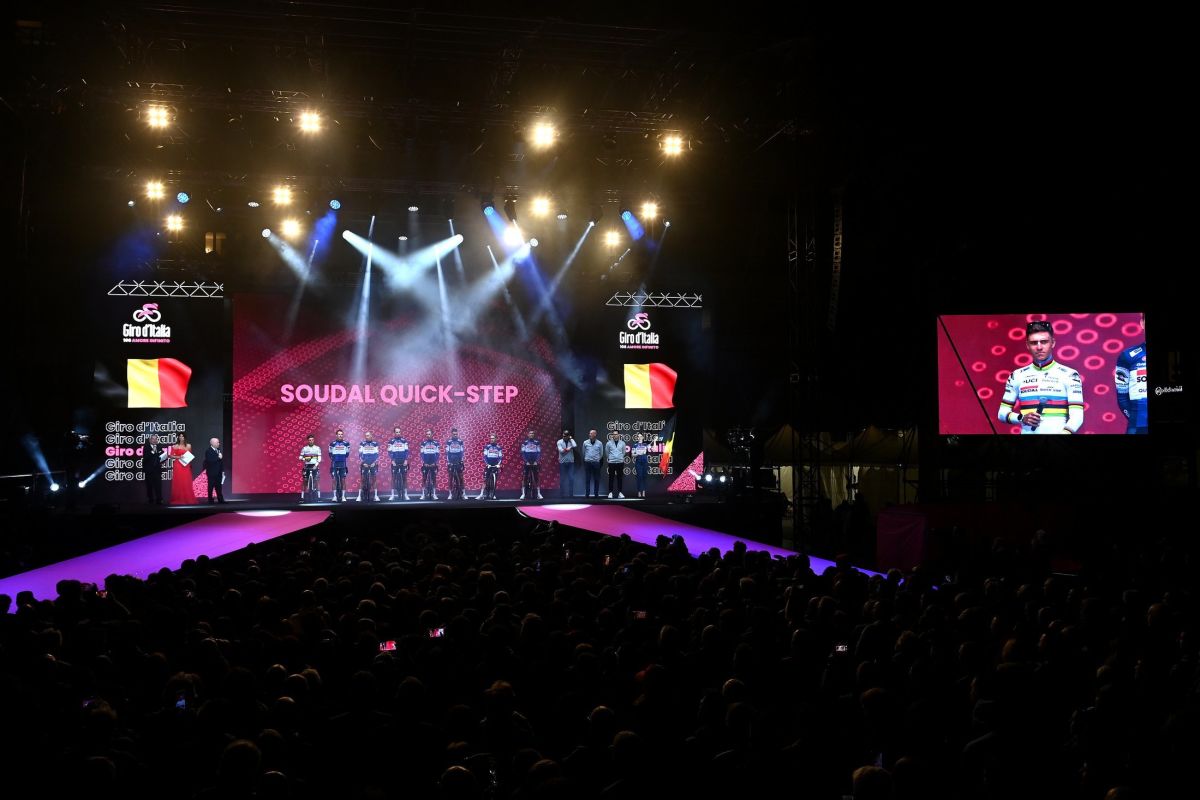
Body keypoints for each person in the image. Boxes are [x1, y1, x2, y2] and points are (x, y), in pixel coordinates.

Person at [997, 320, 1084, 434]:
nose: (1039, 347)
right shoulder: (1017, 375)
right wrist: (1021, 418)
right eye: (1034, 343)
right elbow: (1001, 413)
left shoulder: (1070, 374)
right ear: (1027, 345)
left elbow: (1077, 417)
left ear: (1052, 343)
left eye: (1044, 342)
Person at [1114, 319, 1147, 434]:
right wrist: (1134, 419)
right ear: (1142, 323)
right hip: (1138, 425)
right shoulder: (1127, 356)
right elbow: (1122, 398)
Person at [167, 433, 196, 505]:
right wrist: (179, 457)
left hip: (186, 465)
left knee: (186, 481)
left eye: (182, 436)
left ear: (184, 437)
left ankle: (187, 498)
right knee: (179, 481)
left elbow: (190, 455)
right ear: (178, 437)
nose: (181, 437)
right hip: (178, 465)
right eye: (180, 436)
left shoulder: (189, 446)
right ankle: (178, 499)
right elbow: (170, 456)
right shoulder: (175, 446)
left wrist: (188, 460)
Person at [630, 433, 659, 498]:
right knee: (639, 477)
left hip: (645, 462)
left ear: (643, 437)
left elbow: (654, 449)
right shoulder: (635, 445)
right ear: (637, 438)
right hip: (638, 462)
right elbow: (632, 455)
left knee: (644, 477)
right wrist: (637, 454)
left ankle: (643, 491)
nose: (639, 437)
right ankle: (639, 491)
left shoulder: (645, 445)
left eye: (641, 436)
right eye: (638, 436)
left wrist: (654, 441)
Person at [386, 426, 410, 500]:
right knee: (393, 478)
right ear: (394, 433)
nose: (398, 433)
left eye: (399, 432)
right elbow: (389, 452)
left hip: (403, 461)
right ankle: (392, 495)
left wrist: (406, 460)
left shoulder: (404, 441)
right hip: (395, 461)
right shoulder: (391, 441)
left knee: (405, 478)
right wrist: (392, 460)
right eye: (397, 432)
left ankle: (406, 494)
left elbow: (407, 451)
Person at [328, 429, 350, 502]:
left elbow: (347, 454)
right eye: (339, 434)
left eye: (341, 434)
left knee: (343, 480)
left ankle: (343, 496)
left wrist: (341, 458)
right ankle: (334, 496)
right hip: (334, 463)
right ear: (336, 435)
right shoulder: (332, 443)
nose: (340, 435)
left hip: (343, 463)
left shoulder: (346, 443)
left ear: (343, 435)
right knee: (334, 480)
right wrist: (335, 459)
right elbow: (330, 454)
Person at [479, 433, 503, 500]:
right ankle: (481, 494)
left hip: (495, 465)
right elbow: (485, 456)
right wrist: (487, 464)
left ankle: (493, 494)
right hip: (488, 465)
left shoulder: (499, 448)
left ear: (496, 439)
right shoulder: (487, 447)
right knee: (485, 480)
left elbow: (500, 457)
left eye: (493, 438)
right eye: (491, 438)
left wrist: (498, 464)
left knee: (495, 481)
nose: (492, 439)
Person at [357, 431, 380, 502]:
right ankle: (359, 496)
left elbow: (377, 454)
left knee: (374, 479)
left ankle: (376, 496)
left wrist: (375, 462)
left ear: (371, 436)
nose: (367, 437)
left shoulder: (375, 444)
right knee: (363, 479)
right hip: (365, 463)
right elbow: (360, 454)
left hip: (373, 463)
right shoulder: (362, 443)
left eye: (368, 435)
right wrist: (363, 462)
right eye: (366, 436)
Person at [520, 430, 542, 500]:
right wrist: (526, 461)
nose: (531, 434)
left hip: (534, 461)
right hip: (527, 461)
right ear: (528, 435)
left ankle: (538, 494)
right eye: (530, 433)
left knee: (536, 478)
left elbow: (539, 453)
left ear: (534, 435)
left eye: (532, 433)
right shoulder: (525, 442)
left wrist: (536, 461)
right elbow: (522, 453)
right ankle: (523, 494)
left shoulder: (537, 442)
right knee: (525, 477)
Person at [605, 431, 628, 499]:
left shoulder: (622, 443)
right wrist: (611, 458)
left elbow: (624, 452)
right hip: (611, 462)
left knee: (620, 478)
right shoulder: (609, 443)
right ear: (612, 435)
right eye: (614, 434)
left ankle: (620, 493)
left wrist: (619, 457)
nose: (615, 435)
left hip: (620, 462)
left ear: (619, 435)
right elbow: (607, 452)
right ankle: (610, 492)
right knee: (611, 478)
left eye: (616, 434)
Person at [144, 433, 165, 505]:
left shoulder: (159, 447)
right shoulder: (146, 447)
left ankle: (159, 499)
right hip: (149, 470)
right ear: (150, 440)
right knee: (149, 486)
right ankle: (150, 499)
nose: (154, 440)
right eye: (153, 439)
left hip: (157, 470)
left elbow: (162, 456)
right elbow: (146, 458)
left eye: (155, 439)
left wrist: (164, 457)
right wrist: (152, 451)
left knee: (158, 485)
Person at [581, 429, 603, 498]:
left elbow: (601, 454)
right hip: (588, 462)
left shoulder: (599, 443)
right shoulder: (585, 442)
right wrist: (587, 459)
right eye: (589, 433)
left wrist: (596, 459)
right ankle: (587, 494)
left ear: (595, 434)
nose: (589, 434)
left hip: (596, 463)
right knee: (587, 479)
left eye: (591, 433)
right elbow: (583, 452)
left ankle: (596, 494)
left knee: (596, 479)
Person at [299, 435, 321, 501]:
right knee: (304, 481)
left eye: (312, 440)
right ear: (308, 441)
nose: (311, 441)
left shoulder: (317, 448)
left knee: (316, 481)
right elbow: (300, 457)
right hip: (307, 466)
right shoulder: (304, 448)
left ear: (314, 440)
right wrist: (305, 459)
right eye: (309, 440)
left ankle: (319, 497)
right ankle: (302, 497)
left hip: (315, 465)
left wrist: (316, 465)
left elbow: (319, 458)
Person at [419, 429, 440, 500]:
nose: (428, 435)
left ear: (432, 434)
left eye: (429, 434)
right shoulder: (423, 443)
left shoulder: (436, 443)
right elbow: (422, 454)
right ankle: (423, 494)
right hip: (426, 463)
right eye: (427, 434)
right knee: (424, 479)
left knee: (434, 479)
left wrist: (435, 462)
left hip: (433, 463)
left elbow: (437, 454)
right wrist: (424, 462)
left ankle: (434, 494)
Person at [446, 427, 466, 500]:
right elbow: (447, 453)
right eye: (454, 434)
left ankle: (463, 494)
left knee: (461, 478)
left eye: (456, 434)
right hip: (451, 461)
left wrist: (462, 461)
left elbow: (462, 452)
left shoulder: (460, 441)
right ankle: (450, 494)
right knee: (450, 478)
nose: (455, 435)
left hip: (458, 461)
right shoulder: (448, 442)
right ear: (451, 434)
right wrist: (448, 462)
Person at [204, 437, 225, 503]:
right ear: (212, 443)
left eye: (218, 442)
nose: (219, 443)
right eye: (217, 442)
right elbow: (209, 461)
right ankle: (210, 500)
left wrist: (222, 470)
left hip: (218, 472)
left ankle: (220, 500)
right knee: (211, 486)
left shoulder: (218, 450)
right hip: (212, 472)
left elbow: (221, 462)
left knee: (219, 486)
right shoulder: (208, 451)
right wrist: (218, 457)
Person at [556, 429, 577, 498]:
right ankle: (562, 494)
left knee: (571, 478)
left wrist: (571, 439)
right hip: (562, 462)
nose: (563, 437)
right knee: (562, 479)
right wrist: (569, 448)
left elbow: (575, 445)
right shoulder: (559, 441)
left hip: (571, 462)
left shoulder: (571, 441)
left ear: (568, 436)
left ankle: (571, 494)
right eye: (563, 435)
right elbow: (561, 450)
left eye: (565, 436)